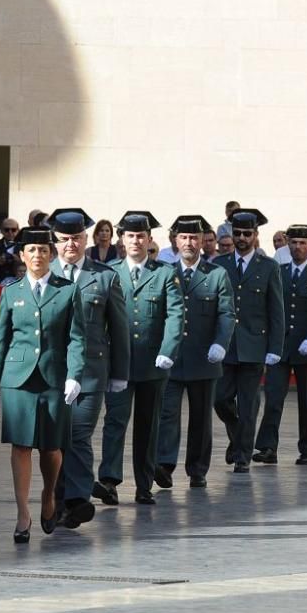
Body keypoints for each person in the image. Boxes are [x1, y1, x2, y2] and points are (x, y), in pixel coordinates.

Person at [0, 227, 86, 542]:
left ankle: (49, 495)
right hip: (18, 379)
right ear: (21, 256)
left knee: (52, 448)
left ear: (51, 255)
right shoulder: (11, 292)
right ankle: (22, 513)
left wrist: (74, 374)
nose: (38, 256)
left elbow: (76, 337)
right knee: (21, 445)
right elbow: (1, 340)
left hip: (54, 376)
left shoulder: (67, 291)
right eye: (32, 251)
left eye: (43, 250)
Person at [47, 208, 129, 529]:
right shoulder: (43, 273)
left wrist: (120, 373)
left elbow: (119, 329)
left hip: (92, 372)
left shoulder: (104, 276)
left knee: (79, 434)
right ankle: (56, 497)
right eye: (64, 239)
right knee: (56, 438)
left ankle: (78, 499)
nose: (71, 244)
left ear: (86, 239)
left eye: (77, 238)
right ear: (55, 242)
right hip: (52, 373)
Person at [95, 212, 184, 505]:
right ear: (122, 239)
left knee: (148, 425)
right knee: (115, 421)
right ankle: (109, 480)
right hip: (118, 364)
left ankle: (144, 484)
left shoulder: (164, 273)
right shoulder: (109, 272)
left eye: (140, 236)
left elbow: (175, 316)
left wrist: (167, 351)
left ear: (149, 239)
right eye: (130, 236)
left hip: (151, 362)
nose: (135, 241)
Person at [155, 216, 235, 489]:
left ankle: (198, 469)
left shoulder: (216, 274)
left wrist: (220, 343)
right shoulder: (164, 272)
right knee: (167, 413)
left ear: (202, 242)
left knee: (201, 417)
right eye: (184, 238)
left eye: (194, 238)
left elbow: (227, 313)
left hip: (204, 358)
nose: (189, 243)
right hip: (172, 358)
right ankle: (164, 464)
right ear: (175, 241)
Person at [254, 224, 307, 465]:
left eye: (302, 243)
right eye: (294, 243)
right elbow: (270, 309)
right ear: (287, 245)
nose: (298, 247)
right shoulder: (278, 271)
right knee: (273, 396)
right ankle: (268, 447)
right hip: (280, 347)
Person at [212, 209, 285, 472]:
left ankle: (242, 456)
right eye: (238, 233)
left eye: (247, 233)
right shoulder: (219, 265)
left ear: (256, 235)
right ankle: (237, 433)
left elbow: (276, 310)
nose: (242, 238)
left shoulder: (268, 267)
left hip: (255, 346)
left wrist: (275, 348)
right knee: (220, 398)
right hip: (225, 345)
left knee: (248, 404)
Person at [0, 218, 21, 285]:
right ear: (1, 231)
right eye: (7, 230)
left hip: (18, 283)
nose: (10, 232)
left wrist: (19, 261)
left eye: (13, 230)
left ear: (18, 230)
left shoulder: (24, 246)